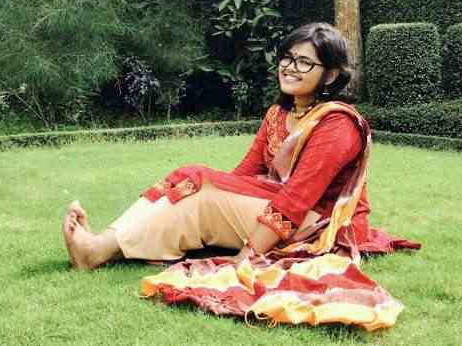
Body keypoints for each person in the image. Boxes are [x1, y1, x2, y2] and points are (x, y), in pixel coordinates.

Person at [63, 22, 418, 273]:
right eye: (287, 58)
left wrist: (245, 258)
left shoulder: (337, 123)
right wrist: (211, 188)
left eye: (304, 62)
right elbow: (244, 175)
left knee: (200, 188)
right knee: (189, 180)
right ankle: (102, 243)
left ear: (330, 75)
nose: (290, 68)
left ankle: (96, 252)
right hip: (280, 208)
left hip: (321, 226)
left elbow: (298, 197)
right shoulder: (278, 114)